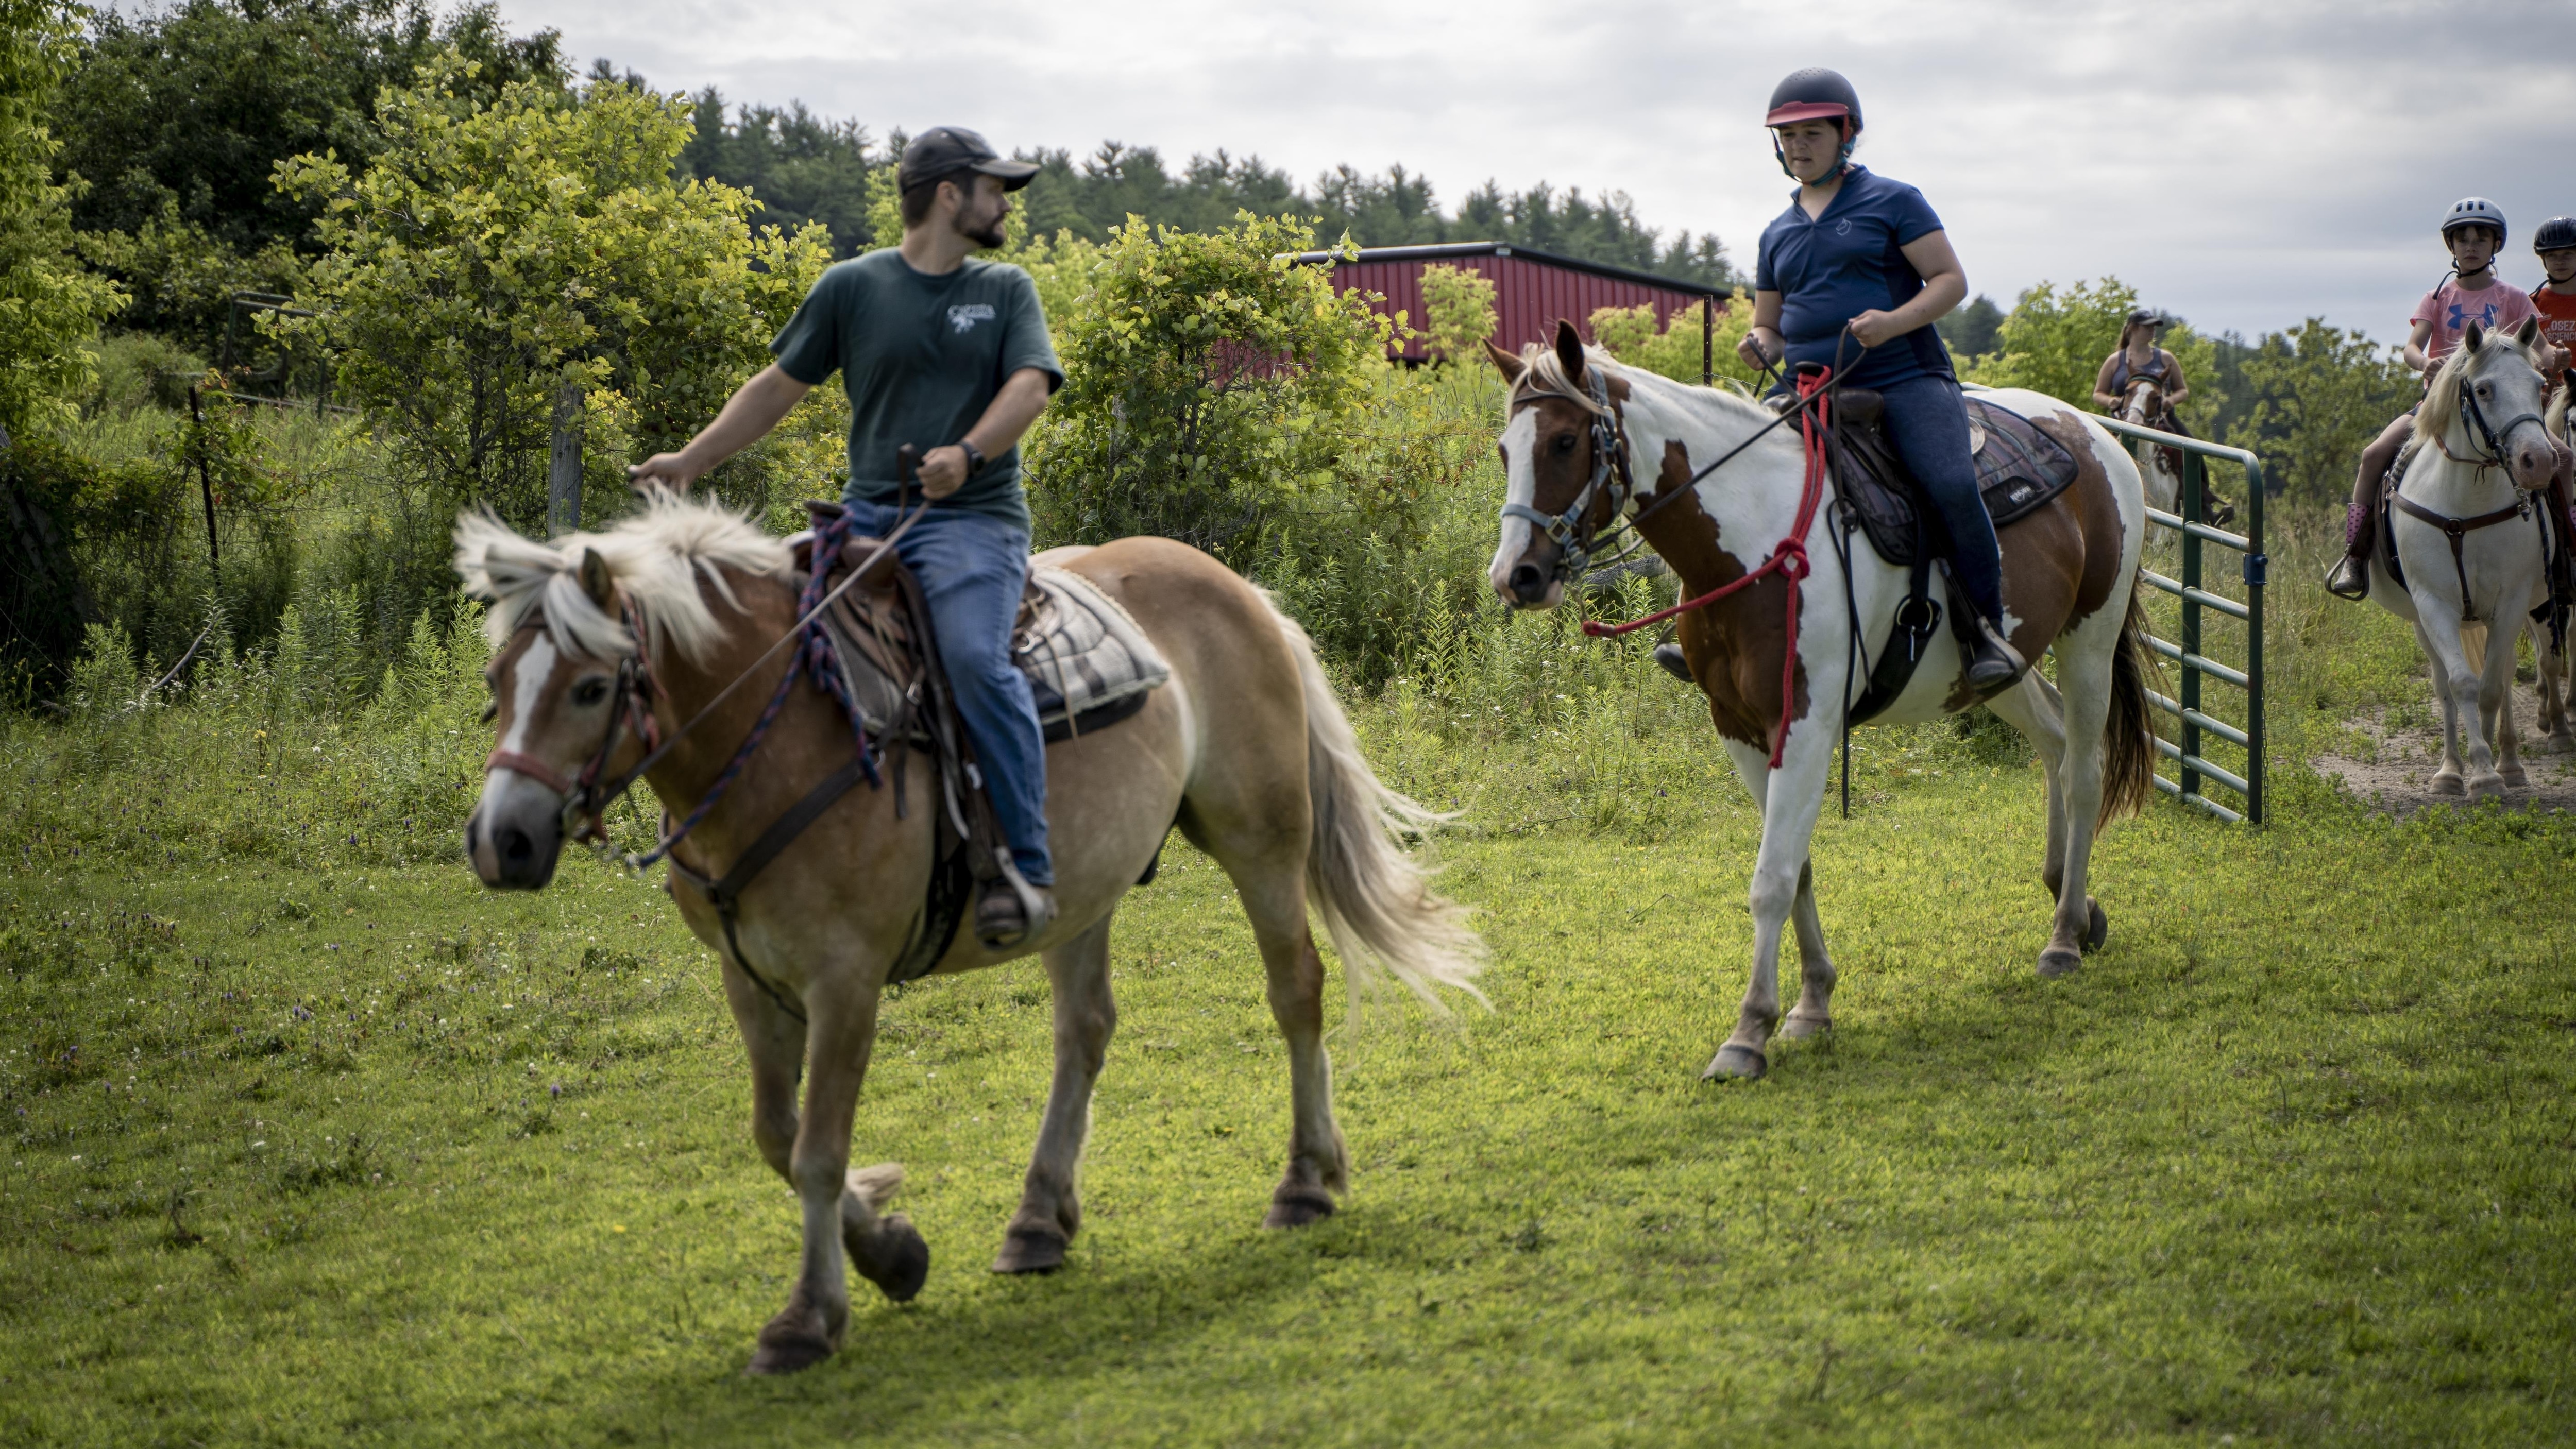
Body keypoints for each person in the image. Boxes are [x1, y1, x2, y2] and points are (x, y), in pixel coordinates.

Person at [630, 126, 1065, 947]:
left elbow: (1032, 387)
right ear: (949, 195)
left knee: (974, 660)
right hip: (864, 518)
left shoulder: (1005, 290)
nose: (1005, 202)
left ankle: (1026, 864)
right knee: (760, 638)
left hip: (971, 522)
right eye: (994, 187)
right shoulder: (852, 288)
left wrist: (969, 455)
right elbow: (778, 387)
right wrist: (689, 461)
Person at [1736, 67, 2024, 689]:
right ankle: (1721, 628)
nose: (1797, 147)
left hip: (1903, 375)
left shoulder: (1894, 200)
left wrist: (1892, 323)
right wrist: (1757, 343)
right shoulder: (1775, 232)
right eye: (1786, 138)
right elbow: (1770, 326)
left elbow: (1950, 281)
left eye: (1811, 134)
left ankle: (1987, 631)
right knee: (1730, 476)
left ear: (1846, 135)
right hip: (1806, 386)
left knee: (1949, 482)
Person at [2325, 198, 2537, 600]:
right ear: (2451, 246)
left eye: (2480, 238)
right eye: (2462, 239)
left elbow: (2538, 349)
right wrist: (2424, 363)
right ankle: (2355, 554)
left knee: (2561, 458)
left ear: (2496, 245)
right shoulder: (2437, 298)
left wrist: (2552, 358)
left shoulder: (2513, 297)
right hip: (2438, 410)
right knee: (2373, 455)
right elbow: (2411, 347)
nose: (2471, 246)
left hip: (2498, 412)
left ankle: (2565, 555)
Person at [2091, 309, 2190, 417]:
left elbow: (2182, 390)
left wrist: (2171, 400)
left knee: (2185, 435)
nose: (2152, 330)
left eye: (2153, 327)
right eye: (2147, 327)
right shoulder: (2114, 361)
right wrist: (2110, 401)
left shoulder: (2166, 358)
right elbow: (2098, 394)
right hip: (2121, 421)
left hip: (2161, 419)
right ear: (2133, 328)